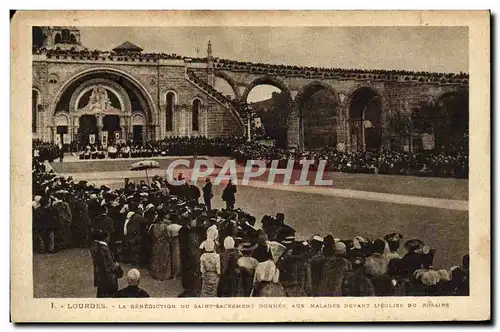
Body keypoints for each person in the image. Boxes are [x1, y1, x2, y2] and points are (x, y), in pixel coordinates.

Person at [90, 230, 123, 298]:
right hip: (109, 280)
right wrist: (118, 266)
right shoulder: (105, 250)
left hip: (100, 279)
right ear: (106, 238)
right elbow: (110, 266)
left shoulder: (95, 247)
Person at [148, 212, 171, 281]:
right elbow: (168, 236)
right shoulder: (165, 226)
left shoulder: (154, 226)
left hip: (156, 244)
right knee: (163, 259)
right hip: (163, 244)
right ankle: (162, 275)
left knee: (156, 258)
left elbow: (151, 235)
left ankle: (156, 274)